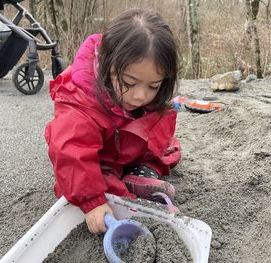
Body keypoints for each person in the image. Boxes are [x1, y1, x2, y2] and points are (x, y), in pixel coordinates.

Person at [45, 8, 181, 234]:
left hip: (126, 148)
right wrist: (93, 202)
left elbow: (158, 129)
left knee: (168, 137)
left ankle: (140, 171)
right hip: (99, 158)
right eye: (129, 82)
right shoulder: (81, 101)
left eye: (153, 86)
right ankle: (116, 186)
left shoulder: (141, 97)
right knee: (90, 175)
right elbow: (69, 152)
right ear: (107, 65)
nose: (140, 96)